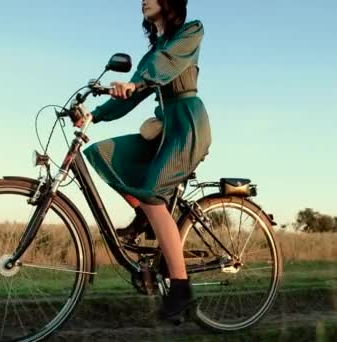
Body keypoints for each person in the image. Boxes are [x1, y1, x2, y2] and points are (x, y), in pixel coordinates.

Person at [80, 0, 211, 319]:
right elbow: (133, 94)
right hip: (162, 126)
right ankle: (146, 216)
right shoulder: (151, 53)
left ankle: (181, 289)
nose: (143, 0)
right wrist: (92, 115)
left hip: (185, 124)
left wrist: (137, 81)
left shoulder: (191, 31)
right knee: (102, 153)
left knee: (153, 193)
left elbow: (165, 64)